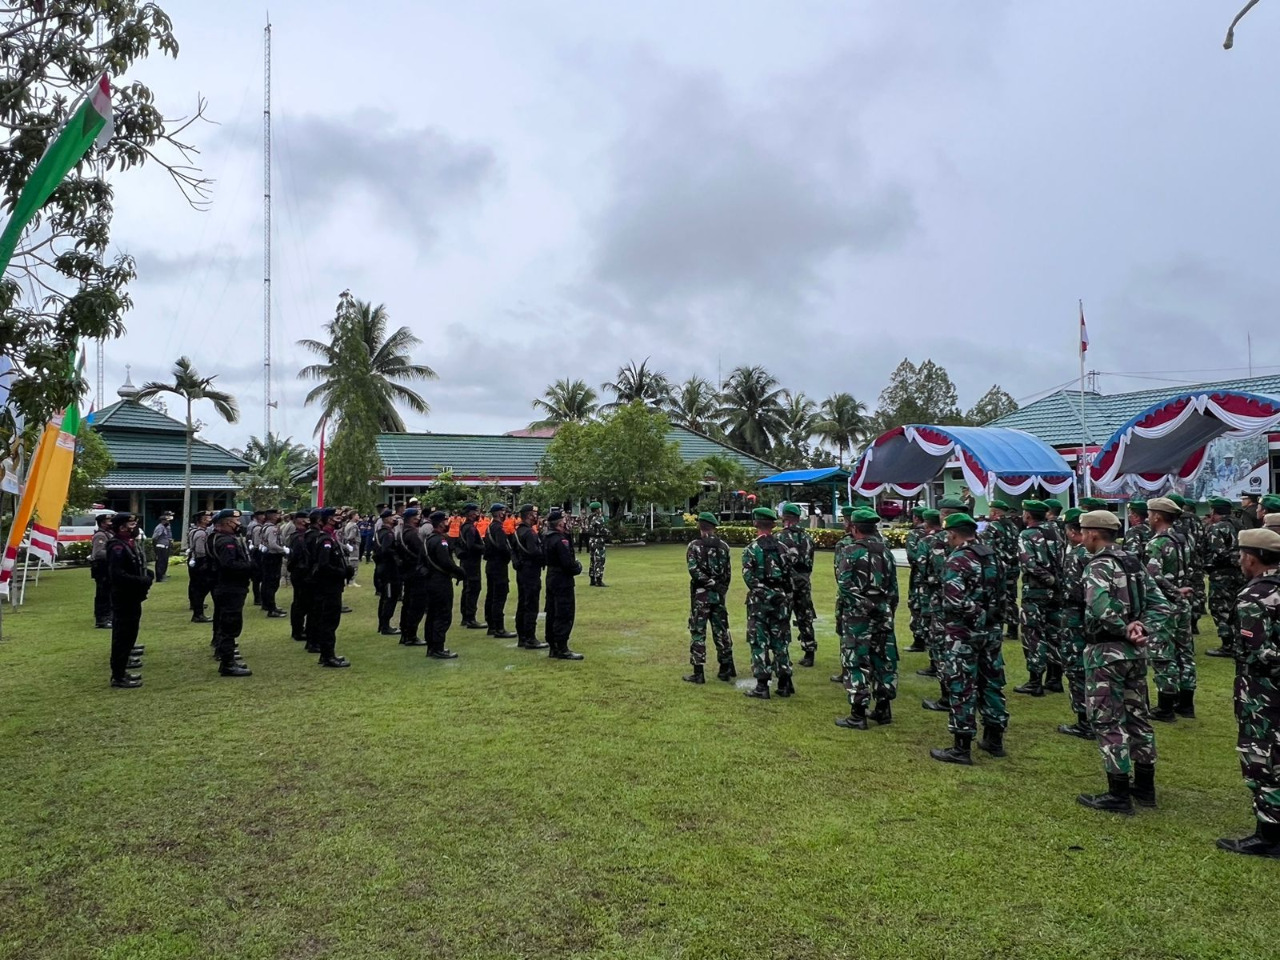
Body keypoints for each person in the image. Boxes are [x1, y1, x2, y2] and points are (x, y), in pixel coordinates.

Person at [1076, 509, 1169, 814]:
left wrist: (1124, 627)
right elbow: (1160, 604)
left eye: (1083, 532)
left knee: (1108, 719)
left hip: (1105, 653)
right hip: (1135, 654)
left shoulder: (1098, 565)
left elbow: (1099, 604)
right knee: (1138, 717)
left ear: (1092, 534)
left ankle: (1118, 793)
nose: (1081, 538)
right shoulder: (1133, 563)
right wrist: (1143, 628)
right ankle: (1145, 788)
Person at [1217, 526, 1280, 858]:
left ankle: (1268, 836)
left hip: (1263, 691)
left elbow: (1258, 652)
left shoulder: (1255, 596)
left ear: (1251, 558)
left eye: (1242, 555)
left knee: (1262, 759)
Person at [930, 512, 1008, 763]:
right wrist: (990, 616)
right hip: (992, 632)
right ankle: (994, 739)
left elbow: (954, 601)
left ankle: (961, 746)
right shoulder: (993, 557)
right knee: (991, 683)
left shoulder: (958, 559)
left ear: (952, 533)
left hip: (964, 633)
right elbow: (1003, 593)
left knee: (962, 685)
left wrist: (978, 614)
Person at [834, 507, 899, 730]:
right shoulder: (886, 552)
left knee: (856, 661)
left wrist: (863, 606)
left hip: (858, 616)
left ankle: (858, 714)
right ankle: (883, 708)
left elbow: (844, 585)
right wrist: (885, 609)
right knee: (884, 660)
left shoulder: (850, 551)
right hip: (883, 613)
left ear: (854, 528)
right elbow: (893, 589)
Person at [1144, 497, 1194, 723]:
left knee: (1163, 654)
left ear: (1157, 516)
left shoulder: (1156, 543)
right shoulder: (1184, 539)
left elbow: (1153, 575)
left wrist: (1174, 592)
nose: (1147, 518)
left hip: (1164, 605)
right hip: (1182, 604)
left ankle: (1165, 707)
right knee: (1184, 652)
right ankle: (1186, 703)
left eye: (1149, 514)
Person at [742, 506, 794, 700]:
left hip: (760, 602)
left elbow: (749, 578)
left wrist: (765, 593)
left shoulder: (751, 549)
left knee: (759, 642)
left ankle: (762, 685)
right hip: (780, 600)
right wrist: (782, 595)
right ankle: (785, 683)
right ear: (773, 525)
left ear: (756, 523)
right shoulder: (784, 548)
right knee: (780, 641)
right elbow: (790, 577)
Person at [1015, 500, 1062, 697]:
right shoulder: (1056, 531)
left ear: (1028, 515)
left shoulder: (1027, 535)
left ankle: (1035, 681)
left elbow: (1028, 564)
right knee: (1054, 634)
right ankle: (1055, 679)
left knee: (1033, 636)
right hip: (1058, 592)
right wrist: (1057, 582)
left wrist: (1048, 579)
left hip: (1036, 592)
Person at [683, 511, 734, 683]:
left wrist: (708, 583)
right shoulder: (724, 547)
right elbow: (728, 574)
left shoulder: (694, 546)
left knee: (698, 631)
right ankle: (725, 668)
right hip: (718, 595)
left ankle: (699, 672)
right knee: (721, 631)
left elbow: (694, 570)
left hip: (701, 595)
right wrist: (720, 588)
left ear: (700, 526)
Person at [1056, 508, 1093, 738]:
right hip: (1101, 621)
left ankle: (1084, 722)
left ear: (1071, 532)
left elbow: (1072, 592)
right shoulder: (1111, 552)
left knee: (1077, 669)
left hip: (1077, 620)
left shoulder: (1077, 555)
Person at [105, 512, 152, 688]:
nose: (135, 528)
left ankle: (122, 671)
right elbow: (117, 575)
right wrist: (140, 580)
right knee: (122, 637)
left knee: (130, 634)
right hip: (123, 597)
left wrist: (146, 575)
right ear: (122, 527)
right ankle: (118, 676)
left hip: (132, 596)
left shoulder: (127, 543)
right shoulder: (117, 546)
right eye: (131, 525)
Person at [207, 509, 253, 678]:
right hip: (230, 587)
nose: (239, 524)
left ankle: (227, 656)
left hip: (226, 587)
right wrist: (250, 567)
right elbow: (230, 565)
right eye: (236, 521)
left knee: (225, 623)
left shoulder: (218, 538)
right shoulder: (226, 541)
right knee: (230, 625)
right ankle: (227, 663)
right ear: (227, 523)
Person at [311, 507, 353, 667]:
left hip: (332, 585)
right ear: (329, 519)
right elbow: (324, 565)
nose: (340, 519)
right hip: (328, 587)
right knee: (329, 621)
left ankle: (326, 654)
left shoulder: (330, 537)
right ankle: (328, 656)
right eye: (336, 517)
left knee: (330, 621)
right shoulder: (325, 540)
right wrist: (342, 572)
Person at [777, 502, 818, 667]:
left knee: (782, 619)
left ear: (784, 518)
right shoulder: (807, 538)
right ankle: (809, 653)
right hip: (803, 582)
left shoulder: (780, 537)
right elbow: (810, 562)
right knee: (805, 617)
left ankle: (783, 653)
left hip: (786, 584)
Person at [420, 510, 464, 660]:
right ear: (440, 523)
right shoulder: (440, 541)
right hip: (440, 582)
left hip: (429, 581)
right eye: (445, 521)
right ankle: (438, 647)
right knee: (442, 614)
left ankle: (431, 647)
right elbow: (446, 562)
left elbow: (421, 563)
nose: (448, 523)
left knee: (432, 615)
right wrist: (460, 572)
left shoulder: (428, 540)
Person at [1205, 497, 1244, 659]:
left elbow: (1218, 553)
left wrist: (1208, 565)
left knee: (1220, 608)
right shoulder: (1239, 525)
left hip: (1222, 574)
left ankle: (1228, 645)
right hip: (1241, 572)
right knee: (1236, 607)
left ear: (1214, 511)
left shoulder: (1218, 527)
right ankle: (1238, 642)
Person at [543, 509, 585, 660]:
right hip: (562, 578)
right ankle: (562, 647)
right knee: (564, 611)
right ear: (560, 523)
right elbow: (567, 563)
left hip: (552, 577)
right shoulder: (560, 540)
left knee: (552, 611)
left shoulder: (547, 537)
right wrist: (577, 567)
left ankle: (553, 646)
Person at [982, 500, 1021, 642]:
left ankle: (996, 628)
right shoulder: (1013, 526)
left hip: (999, 567)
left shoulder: (992, 527)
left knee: (997, 598)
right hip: (1013, 567)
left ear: (994, 512)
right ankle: (1012, 629)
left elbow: (988, 548)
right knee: (1011, 598)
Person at [512, 504, 547, 649]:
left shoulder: (517, 532)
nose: (536, 516)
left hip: (522, 571)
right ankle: (530, 638)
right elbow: (534, 552)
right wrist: (544, 558)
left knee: (522, 603)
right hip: (531, 571)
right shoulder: (530, 533)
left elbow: (513, 551)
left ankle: (522, 637)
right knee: (531, 604)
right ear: (528, 515)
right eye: (533, 514)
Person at [483, 503, 517, 639]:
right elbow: (503, 547)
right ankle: (499, 628)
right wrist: (510, 555)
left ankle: (491, 625)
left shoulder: (491, 527)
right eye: (503, 512)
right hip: (498, 565)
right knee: (499, 596)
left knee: (491, 595)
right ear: (498, 513)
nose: (505, 515)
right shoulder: (498, 529)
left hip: (491, 564)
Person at [396, 508, 429, 647]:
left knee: (407, 604)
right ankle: (411, 635)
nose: (419, 518)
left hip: (407, 571)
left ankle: (405, 633)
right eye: (417, 516)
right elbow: (422, 552)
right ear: (411, 518)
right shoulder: (412, 534)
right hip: (415, 572)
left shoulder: (402, 532)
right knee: (416, 605)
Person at [903, 506, 929, 653]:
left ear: (917, 519)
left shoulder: (914, 534)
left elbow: (912, 556)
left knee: (917, 606)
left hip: (919, 577)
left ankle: (919, 640)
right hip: (935, 579)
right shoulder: (941, 534)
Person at [286, 511, 313, 645]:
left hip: (300, 572)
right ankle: (297, 630)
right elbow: (298, 557)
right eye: (306, 519)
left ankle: (299, 629)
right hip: (300, 573)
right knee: (300, 603)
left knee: (301, 602)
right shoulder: (299, 537)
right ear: (301, 521)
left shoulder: (301, 536)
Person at [373, 509, 401, 636]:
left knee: (385, 597)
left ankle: (382, 624)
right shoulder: (388, 534)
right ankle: (385, 626)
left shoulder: (380, 532)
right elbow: (386, 550)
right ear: (387, 519)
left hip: (383, 567)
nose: (394, 519)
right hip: (389, 569)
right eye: (392, 517)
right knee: (390, 597)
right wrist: (397, 558)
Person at [457, 502, 485, 629]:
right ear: (470, 514)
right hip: (471, 562)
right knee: (473, 588)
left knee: (467, 588)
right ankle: (470, 618)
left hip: (467, 561)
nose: (477, 514)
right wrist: (484, 547)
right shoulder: (470, 528)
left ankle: (465, 617)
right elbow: (471, 545)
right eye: (475, 512)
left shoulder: (464, 526)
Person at [257, 507, 287, 618]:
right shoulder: (272, 528)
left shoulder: (264, 527)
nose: (280, 517)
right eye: (278, 515)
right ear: (273, 516)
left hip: (267, 556)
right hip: (273, 556)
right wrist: (284, 550)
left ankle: (267, 604)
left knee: (266, 582)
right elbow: (273, 544)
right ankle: (271, 608)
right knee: (271, 583)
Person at [187, 510, 213, 623]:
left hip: (195, 559)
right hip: (200, 561)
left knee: (196, 586)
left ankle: (197, 610)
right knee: (200, 588)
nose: (210, 519)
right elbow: (201, 551)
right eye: (207, 517)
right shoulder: (201, 533)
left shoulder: (195, 531)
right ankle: (198, 614)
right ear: (202, 520)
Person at [90, 514, 113, 629]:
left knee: (109, 594)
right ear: (102, 523)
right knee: (102, 594)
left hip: (108, 569)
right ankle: (102, 619)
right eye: (109, 521)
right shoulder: (100, 535)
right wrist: (113, 553)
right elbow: (98, 553)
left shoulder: (109, 534)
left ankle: (108, 616)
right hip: (101, 569)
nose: (111, 523)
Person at [245, 508, 265, 607]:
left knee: (257, 577)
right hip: (256, 551)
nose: (264, 517)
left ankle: (258, 597)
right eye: (262, 515)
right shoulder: (255, 526)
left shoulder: (253, 525)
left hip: (254, 550)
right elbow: (256, 541)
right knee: (257, 577)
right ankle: (258, 598)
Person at [586, 501, 609, 587]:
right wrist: (608, 533)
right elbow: (602, 529)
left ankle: (592, 579)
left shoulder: (589, 518)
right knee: (599, 560)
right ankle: (599, 580)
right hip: (598, 540)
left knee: (592, 560)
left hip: (591, 540)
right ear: (597, 509)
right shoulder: (598, 518)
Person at [151, 511, 173, 582]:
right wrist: (155, 547)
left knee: (164, 562)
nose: (168, 522)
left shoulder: (164, 527)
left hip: (164, 547)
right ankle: (159, 578)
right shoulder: (160, 527)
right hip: (160, 547)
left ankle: (162, 575)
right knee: (160, 563)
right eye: (167, 520)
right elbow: (154, 538)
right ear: (163, 521)